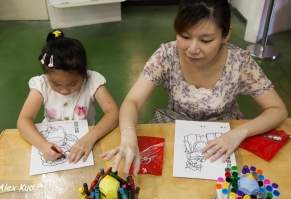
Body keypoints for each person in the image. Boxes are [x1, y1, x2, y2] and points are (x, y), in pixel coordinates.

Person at [100, 0, 288, 177]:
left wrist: (239, 133)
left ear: (226, 35)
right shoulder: (166, 55)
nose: (192, 49)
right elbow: (132, 101)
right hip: (176, 129)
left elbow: (278, 110)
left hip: (225, 138)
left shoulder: (240, 63)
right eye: (185, 36)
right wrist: (128, 137)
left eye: (206, 40)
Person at [17, 30, 119, 164]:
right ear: (46, 74)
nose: (64, 90)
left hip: (87, 140)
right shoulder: (41, 84)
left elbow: (114, 113)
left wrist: (90, 138)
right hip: (49, 139)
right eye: (55, 83)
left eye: (73, 83)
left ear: (84, 69)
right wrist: (42, 145)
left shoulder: (92, 80)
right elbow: (23, 121)